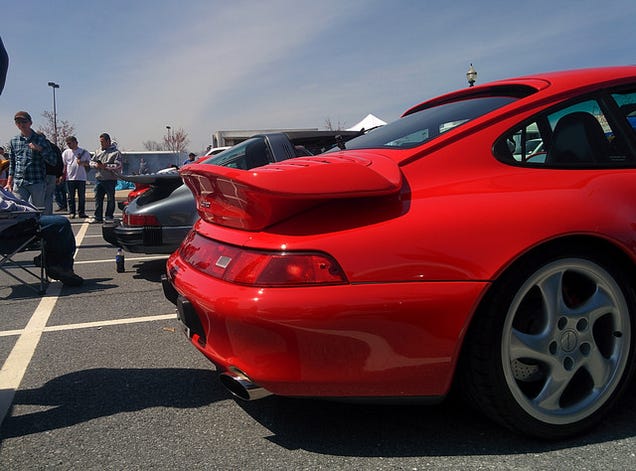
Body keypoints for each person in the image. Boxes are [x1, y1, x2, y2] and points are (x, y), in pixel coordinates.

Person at [0, 186, 83, 286]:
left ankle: (52, 261)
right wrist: (27, 210)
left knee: (51, 226)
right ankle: (61, 266)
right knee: (61, 223)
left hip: (15, 225)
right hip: (11, 232)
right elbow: (5, 207)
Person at [4, 111, 57, 209]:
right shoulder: (14, 141)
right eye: (18, 122)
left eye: (24, 122)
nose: (21, 125)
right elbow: (12, 163)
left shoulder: (40, 140)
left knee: (37, 211)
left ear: (30, 123)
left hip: (37, 181)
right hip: (19, 182)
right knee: (19, 211)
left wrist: (40, 149)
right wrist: (9, 182)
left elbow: (53, 160)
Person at [89, 133, 122, 224]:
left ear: (108, 141)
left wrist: (106, 166)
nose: (101, 144)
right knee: (98, 199)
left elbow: (118, 165)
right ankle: (98, 217)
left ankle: (109, 216)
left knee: (110, 199)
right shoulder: (98, 151)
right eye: (100, 142)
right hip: (99, 179)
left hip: (110, 179)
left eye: (103, 141)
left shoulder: (116, 152)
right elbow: (91, 162)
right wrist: (96, 165)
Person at [62, 136, 90, 218]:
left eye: (70, 143)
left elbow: (89, 163)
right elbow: (64, 165)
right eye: (67, 144)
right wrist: (62, 176)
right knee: (71, 197)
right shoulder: (66, 153)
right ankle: (72, 212)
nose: (69, 145)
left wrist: (82, 163)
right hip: (70, 178)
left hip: (81, 178)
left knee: (81, 196)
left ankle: (81, 212)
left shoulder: (84, 152)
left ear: (75, 142)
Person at [42, 136, 65, 215]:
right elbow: (59, 162)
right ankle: (48, 215)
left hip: (41, 175)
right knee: (49, 197)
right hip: (52, 175)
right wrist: (58, 175)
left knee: (38, 197)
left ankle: (39, 216)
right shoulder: (54, 147)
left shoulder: (39, 146)